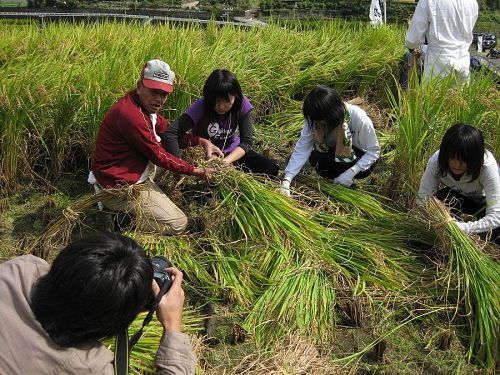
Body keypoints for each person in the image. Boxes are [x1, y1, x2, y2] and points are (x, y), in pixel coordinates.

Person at [0, 232, 196, 374]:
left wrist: (107, 287)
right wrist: (172, 328)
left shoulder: (20, 268)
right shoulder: (88, 367)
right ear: (111, 326)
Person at [89, 59, 217, 235]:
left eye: (164, 94)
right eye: (154, 92)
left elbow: (168, 134)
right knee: (179, 224)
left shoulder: (145, 109)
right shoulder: (131, 115)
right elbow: (158, 156)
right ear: (140, 86)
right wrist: (196, 171)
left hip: (133, 169)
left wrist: (200, 141)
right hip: (120, 186)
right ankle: (121, 219)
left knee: (172, 154)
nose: (159, 99)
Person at [162, 69, 279, 178]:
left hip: (233, 153)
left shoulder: (241, 104)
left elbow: (246, 142)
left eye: (227, 102)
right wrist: (181, 168)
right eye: (217, 101)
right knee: (214, 180)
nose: (221, 107)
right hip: (207, 156)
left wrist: (224, 163)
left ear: (235, 96)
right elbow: (171, 134)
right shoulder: (200, 106)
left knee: (270, 168)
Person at [280, 86, 380, 195]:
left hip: (359, 159)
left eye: (321, 122)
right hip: (332, 153)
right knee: (317, 157)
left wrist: (351, 172)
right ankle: (336, 181)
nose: (318, 124)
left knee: (346, 156)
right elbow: (302, 148)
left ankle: (346, 181)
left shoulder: (358, 118)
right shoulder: (314, 119)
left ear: (332, 115)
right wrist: (287, 179)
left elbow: (373, 151)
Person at [418, 124, 500, 244]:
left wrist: (462, 228)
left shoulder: (487, 167)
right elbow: (422, 199)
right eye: (453, 158)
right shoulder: (436, 162)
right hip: (459, 198)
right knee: (441, 201)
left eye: (463, 161)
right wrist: (440, 219)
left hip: (483, 202)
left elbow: (496, 216)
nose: (457, 165)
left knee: (496, 232)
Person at [405, 0, 478, 81]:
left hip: (438, 66)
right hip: (463, 63)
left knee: (433, 93)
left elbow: (413, 40)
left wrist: (412, 48)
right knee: (459, 93)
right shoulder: (472, 2)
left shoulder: (427, 1)